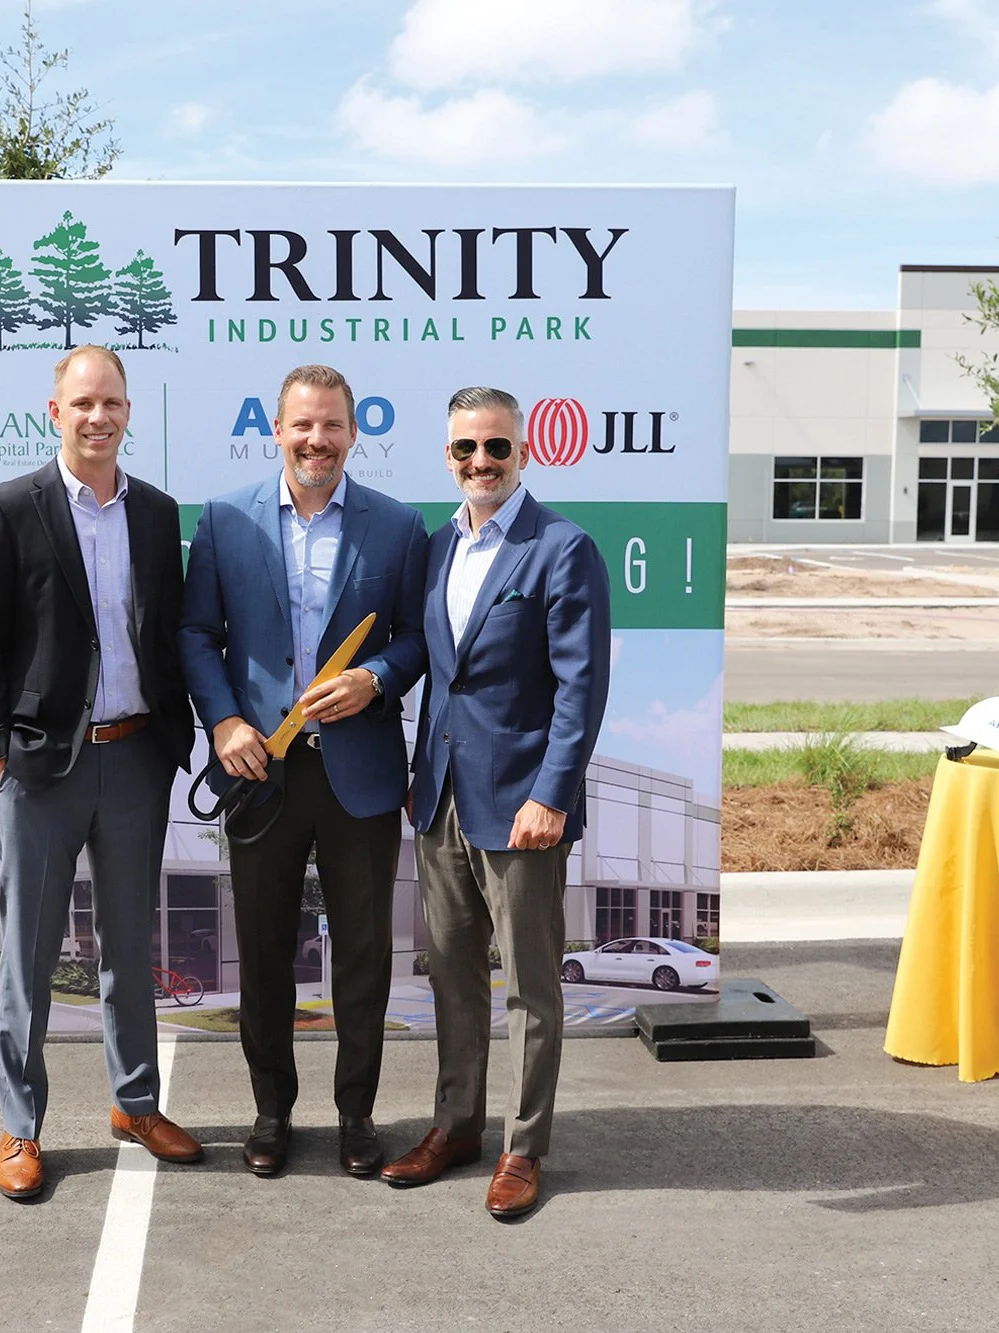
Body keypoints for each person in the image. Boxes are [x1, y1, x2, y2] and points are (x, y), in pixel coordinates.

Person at [0, 345, 203, 1201]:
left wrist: (174, 738)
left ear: (130, 412)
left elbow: (165, 634)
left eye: (114, 403)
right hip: (42, 767)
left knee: (129, 948)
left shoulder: (159, 513)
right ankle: (21, 1127)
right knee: (28, 955)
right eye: (83, 403)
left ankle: (136, 1103)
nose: (99, 416)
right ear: (53, 411)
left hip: (136, 759)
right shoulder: (8, 508)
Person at [179, 364, 429, 1178]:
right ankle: (271, 1110)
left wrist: (377, 678)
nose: (316, 440)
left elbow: (422, 640)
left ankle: (356, 1114)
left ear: (355, 434)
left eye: (331, 426)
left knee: (363, 954)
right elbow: (195, 636)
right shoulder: (224, 521)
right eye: (301, 426)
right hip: (263, 770)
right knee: (263, 951)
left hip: (358, 772)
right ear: (275, 431)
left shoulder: (398, 527)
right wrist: (222, 721)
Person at [380, 385, 610, 1219]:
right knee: (450, 979)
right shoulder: (436, 546)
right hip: (439, 801)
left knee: (532, 991)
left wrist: (552, 794)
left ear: (523, 452)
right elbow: (440, 674)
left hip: (522, 810)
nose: (480, 462)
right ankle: (455, 1127)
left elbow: (581, 689)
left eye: (496, 448)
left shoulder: (562, 548)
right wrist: (416, 775)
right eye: (464, 449)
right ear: (447, 455)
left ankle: (523, 1147)